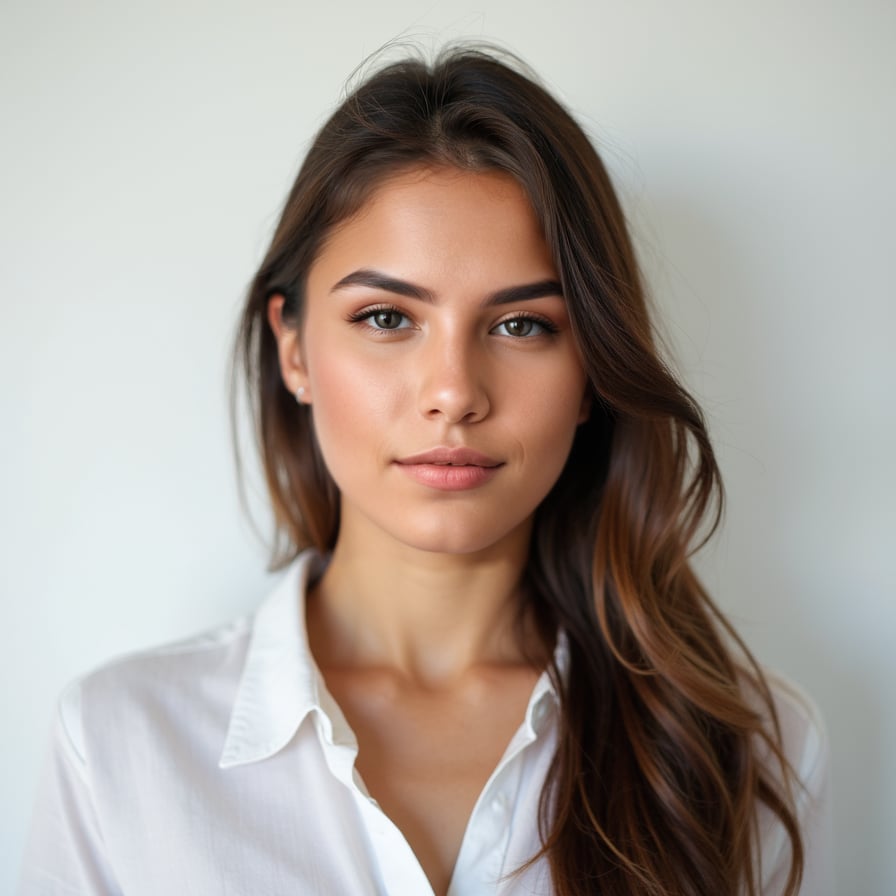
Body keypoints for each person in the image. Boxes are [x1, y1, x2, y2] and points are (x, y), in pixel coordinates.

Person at [19, 45, 832, 896]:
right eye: (385, 316)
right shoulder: (121, 745)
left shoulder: (743, 744)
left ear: (592, 371)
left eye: (523, 326)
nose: (453, 393)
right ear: (293, 349)